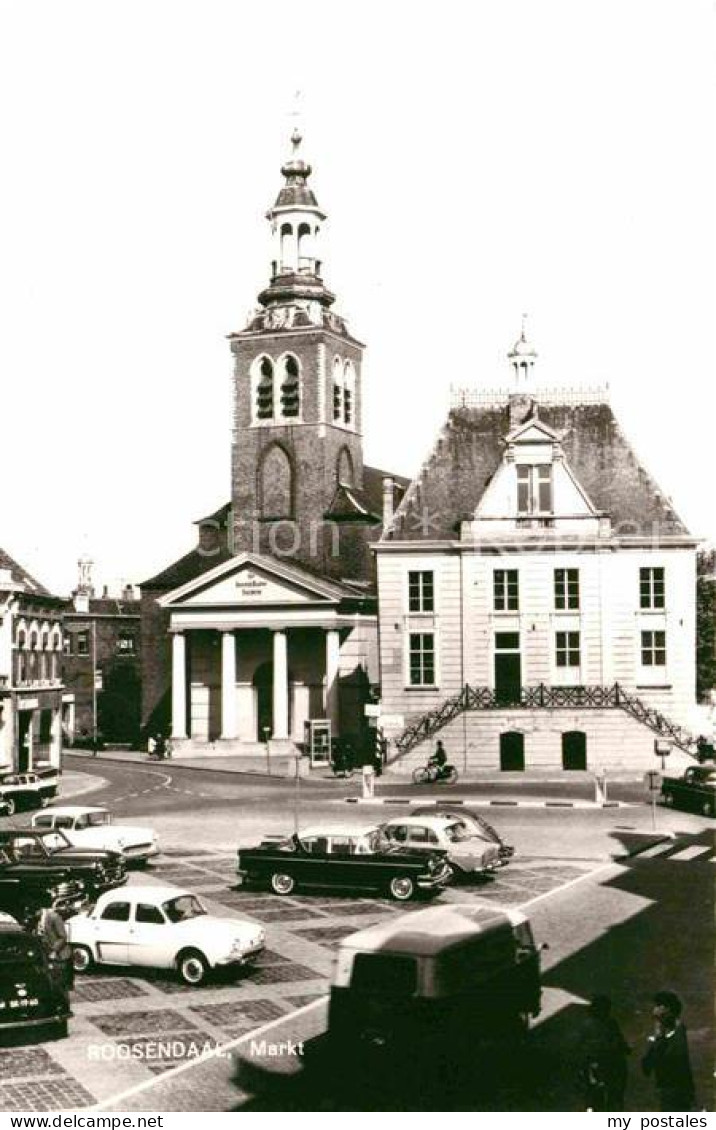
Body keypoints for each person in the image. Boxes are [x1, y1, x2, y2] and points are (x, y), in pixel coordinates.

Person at [642, 991, 695, 1111]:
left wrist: (659, 1039)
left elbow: (672, 1060)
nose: (654, 1010)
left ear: (667, 1009)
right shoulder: (662, 1035)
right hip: (666, 1090)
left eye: (658, 1006)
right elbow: (647, 1066)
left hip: (677, 1092)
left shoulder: (680, 1034)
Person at [579, 995, 630, 1110]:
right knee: (614, 1096)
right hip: (609, 1065)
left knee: (594, 1096)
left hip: (595, 1066)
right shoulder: (610, 1023)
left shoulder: (586, 1026)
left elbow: (580, 1048)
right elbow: (620, 1042)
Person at [35, 900, 74, 993]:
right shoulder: (39, 919)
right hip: (48, 955)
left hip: (60, 956)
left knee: (61, 984)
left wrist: (54, 950)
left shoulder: (54, 917)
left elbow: (63, 937)